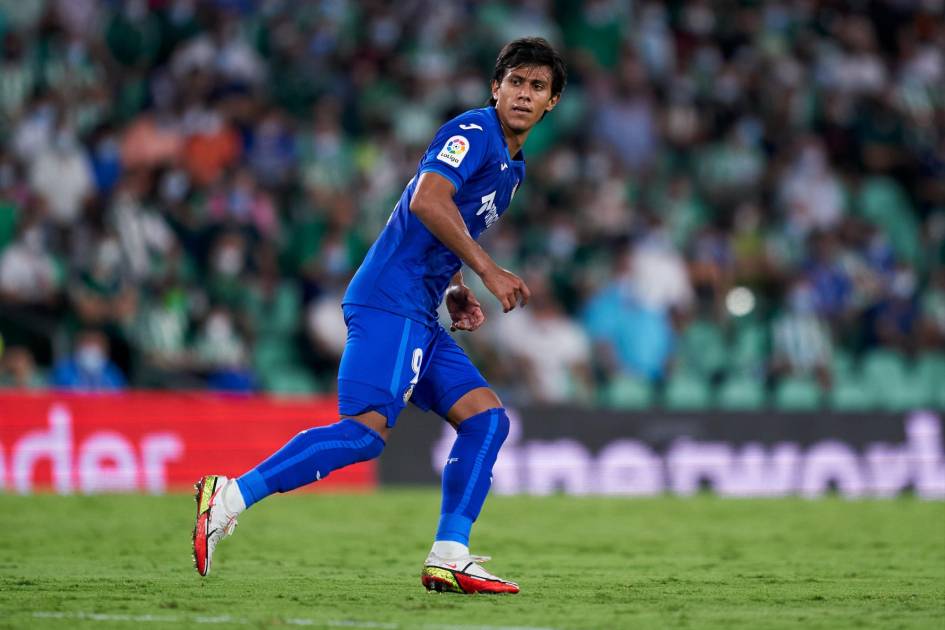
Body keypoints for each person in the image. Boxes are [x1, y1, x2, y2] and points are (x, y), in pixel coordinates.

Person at [192, 37, 566, 595]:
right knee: (365, 434)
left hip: (420, 305)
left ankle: (450, 555)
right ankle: (229, 496)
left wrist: (455, 286)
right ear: (496, 87)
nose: (524, 94)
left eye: (537, 86)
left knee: (487, 420)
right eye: (515, 81)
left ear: (552, 102)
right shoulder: (473, 131)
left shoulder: (512, 170)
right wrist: (488, 271)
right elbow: (426, 200)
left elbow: (446, 225)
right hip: (391, 298)